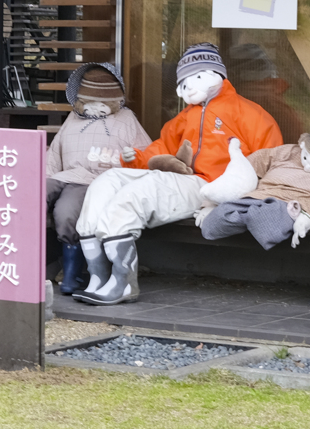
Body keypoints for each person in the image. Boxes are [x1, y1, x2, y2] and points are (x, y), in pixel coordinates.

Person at [73, 43, 283, 306]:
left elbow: (271, 159)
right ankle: (97, 276)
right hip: (181, 177)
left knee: (138, 194)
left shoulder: (250, 114)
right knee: (107, 182)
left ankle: (122, 282)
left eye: (197, 77)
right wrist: (137, 158)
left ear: (217, 74)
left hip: (208, 186)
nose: (189, 86)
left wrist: (245, 196)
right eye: (184, 81)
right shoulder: (187, 116)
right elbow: (163, 147)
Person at [45, 62, 151, 294]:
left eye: (103, 103)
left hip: (94, 180)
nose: (96, 108)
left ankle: (71, 275)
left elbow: (145, 153)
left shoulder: (126, 119)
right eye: (90, 102)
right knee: (35, 195)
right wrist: (46, 174)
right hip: (66, 174)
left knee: (66, 212)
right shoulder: (72, 118)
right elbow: (54, 153)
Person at [196, 119, 310, 249]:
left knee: (270, 217)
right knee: (215, 221)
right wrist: (211, 203)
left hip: (288, 207)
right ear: (304, 145)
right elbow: (248, 166)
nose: (307, 168)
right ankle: (243, 216)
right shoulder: (288, 152)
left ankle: (255, 217)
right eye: (305, 159)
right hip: (255, 198)